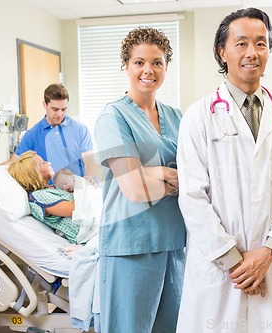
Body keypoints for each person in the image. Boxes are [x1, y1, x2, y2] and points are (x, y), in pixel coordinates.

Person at [176, 7, 272, 333]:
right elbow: (192, 197)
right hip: (219, 271)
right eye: (241, 43)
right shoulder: (198, 117)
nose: (252, 52)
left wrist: (266, 255)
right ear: (222, 52)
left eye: (261, 44)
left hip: (269, 265)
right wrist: (237, 264)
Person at [94, 27, 186, 333]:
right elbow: (133, 190)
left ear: (166, 67)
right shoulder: (114, 117)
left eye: (157, 62)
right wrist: (169, 176)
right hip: (130, 246)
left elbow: (199, 175)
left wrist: (150, 172)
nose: (149, 70)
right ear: (126, 66)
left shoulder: (177, 117)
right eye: (139, 62)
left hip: (174, 243)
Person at [9, 83, 95, 181]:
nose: (60, 114)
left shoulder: (80, 129)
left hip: (78, 190)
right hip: (50, 193)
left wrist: (89, 176)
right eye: (55, 109)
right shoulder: (32, 135)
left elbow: (89, 160)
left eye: (64, 109)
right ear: (44, 104)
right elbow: (13, 163)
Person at [8, 150, 80, 244]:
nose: (48, 163)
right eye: (43, 163)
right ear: (34, 174)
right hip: (86, 233)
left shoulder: (53, 188)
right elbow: (74, 210)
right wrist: (79, 186)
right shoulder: (39, 196)